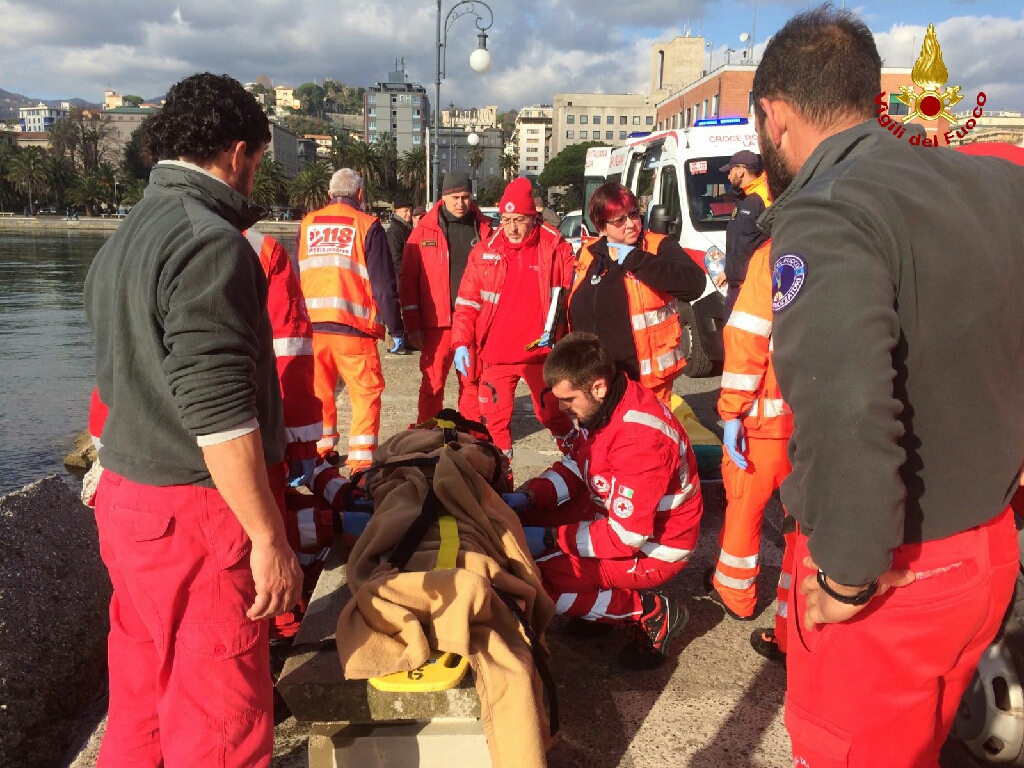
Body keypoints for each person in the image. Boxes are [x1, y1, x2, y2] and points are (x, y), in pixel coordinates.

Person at [753, 8, 1024, 766]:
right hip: (988, 553)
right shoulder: (990, 184)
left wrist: (845, 571)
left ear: (774, 115)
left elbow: (848, 406)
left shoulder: (828, 208)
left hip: (895, 575)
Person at [83, 72, 301, 768]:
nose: (254, 178)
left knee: (141, 701)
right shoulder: (210, 243)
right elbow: (218, 414)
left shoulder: (125, 238)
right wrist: (269, 538)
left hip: (127, 500)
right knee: (219, 720)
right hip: (193, 517)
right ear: (239, 151)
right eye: (260, 162)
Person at [508, 333, 702, 670]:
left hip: (655, 546)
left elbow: (626, 538)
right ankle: (598, 605)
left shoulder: (641, 441)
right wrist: (529, 497)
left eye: (567, 399)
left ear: (597, 387)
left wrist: (554, 539)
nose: (562, 409)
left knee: (537, 579)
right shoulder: (602, 407)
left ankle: (650, 612)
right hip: (612, 514)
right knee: (529, 526)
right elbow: (576, 466)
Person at [705, 237, 794, 663]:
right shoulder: (861, 236)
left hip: (764, 421)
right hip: (820, 425)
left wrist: (732, 413)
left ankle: (736, 595)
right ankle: (793, 629)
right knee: (806, 535)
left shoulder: (775, 253)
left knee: (743, 508)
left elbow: (747, 336)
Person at [450, 177, 575, 463]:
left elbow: (572, 296)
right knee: (494, 424)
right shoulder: (484, 252)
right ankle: (500, 479)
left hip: (542, 356)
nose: (513, 229)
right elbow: (467, 304)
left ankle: (581, 465)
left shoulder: (556, 248)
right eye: (506, 220)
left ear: (533, 217)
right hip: (496, 356)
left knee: (554, 415)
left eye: (519, 220)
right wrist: (460, 342)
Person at [297, 168, 404, 469]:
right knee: (365, 394)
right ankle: (360, 461)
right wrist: (396, 328)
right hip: (353, 329)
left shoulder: (307, 224)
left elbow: (297, 275)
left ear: (329, 195)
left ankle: (321, 450)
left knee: (319, 393)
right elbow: (384, 285)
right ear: (360, 194)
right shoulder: (367, 225)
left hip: (313, 329)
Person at [567, 182, 708, 406]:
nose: (631, 224)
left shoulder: (658, 246)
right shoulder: (589, 253)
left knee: (645, 439)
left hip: (644, 380)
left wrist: (636, 259)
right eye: (619, 220)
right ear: (602, 227)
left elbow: (694, 283)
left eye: (633, 214)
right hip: (594, 376)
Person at [400, 169, 492, 423]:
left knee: (472, 383)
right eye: (456, 198)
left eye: (466, 197)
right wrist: (412, 324)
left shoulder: (484, 229)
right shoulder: (423, 232)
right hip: (436, 325)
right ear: (444, 197)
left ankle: (471, 436)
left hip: (473, 321)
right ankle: (426, 435)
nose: (461, 204)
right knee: (432, 384)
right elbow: (408, 280)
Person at [717, 150, 770, 319]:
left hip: (751, 287)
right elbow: (743, 241)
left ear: (741, 171)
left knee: (740, 340)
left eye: (731, 171)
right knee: (730, 336)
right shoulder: (744, 198)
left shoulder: (764, 198)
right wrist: (729, 271)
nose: (728, 176)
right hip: (737, 284)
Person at [386, 197, 414, 282]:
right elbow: (395, 260)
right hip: (400, 279)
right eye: (405, 211)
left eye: (410, 211)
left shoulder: (407, 228)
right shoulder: (394, 231)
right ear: (396, 211)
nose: (409, 214)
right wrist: (408, 275)